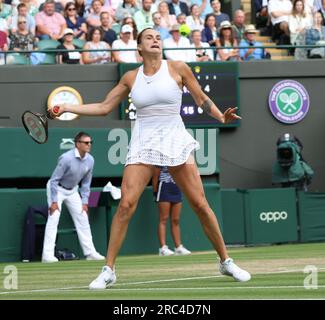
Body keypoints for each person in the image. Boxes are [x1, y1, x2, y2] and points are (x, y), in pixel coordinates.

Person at [49, 27, 251, 288]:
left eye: (158, 37)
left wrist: (221, 117)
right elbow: (104, 107)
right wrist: (66, 107)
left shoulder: (178, 68)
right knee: (126, 205)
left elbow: (201, 100)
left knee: (200, 204)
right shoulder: (131, 78)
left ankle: (226, 262)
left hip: (175, 137)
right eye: (149, 38)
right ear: (139, 48)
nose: (155, 40)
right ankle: (108, 270)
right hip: (143, 140)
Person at [42, 132, 105, 263]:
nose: (89, 145)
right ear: (77, 144)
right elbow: (54, 180)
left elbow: (86, 183)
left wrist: (85, 201)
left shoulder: (90, 160)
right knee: (54, 219)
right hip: (57, 189)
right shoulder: (66, 158)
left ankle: (90, 253)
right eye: (86, 143)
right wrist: (54, 201)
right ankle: (47, 255)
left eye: (90, 143)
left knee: (83, 218)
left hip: (73, 191)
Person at [152, 166, 191, 256]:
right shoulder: (160, 156)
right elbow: (155, 174)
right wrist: (155, 191)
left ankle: (178, 248)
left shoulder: (179, 156)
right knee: (163, 218)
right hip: (164, 187)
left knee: (176, 219)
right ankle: (162, 248)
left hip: (177, 187)